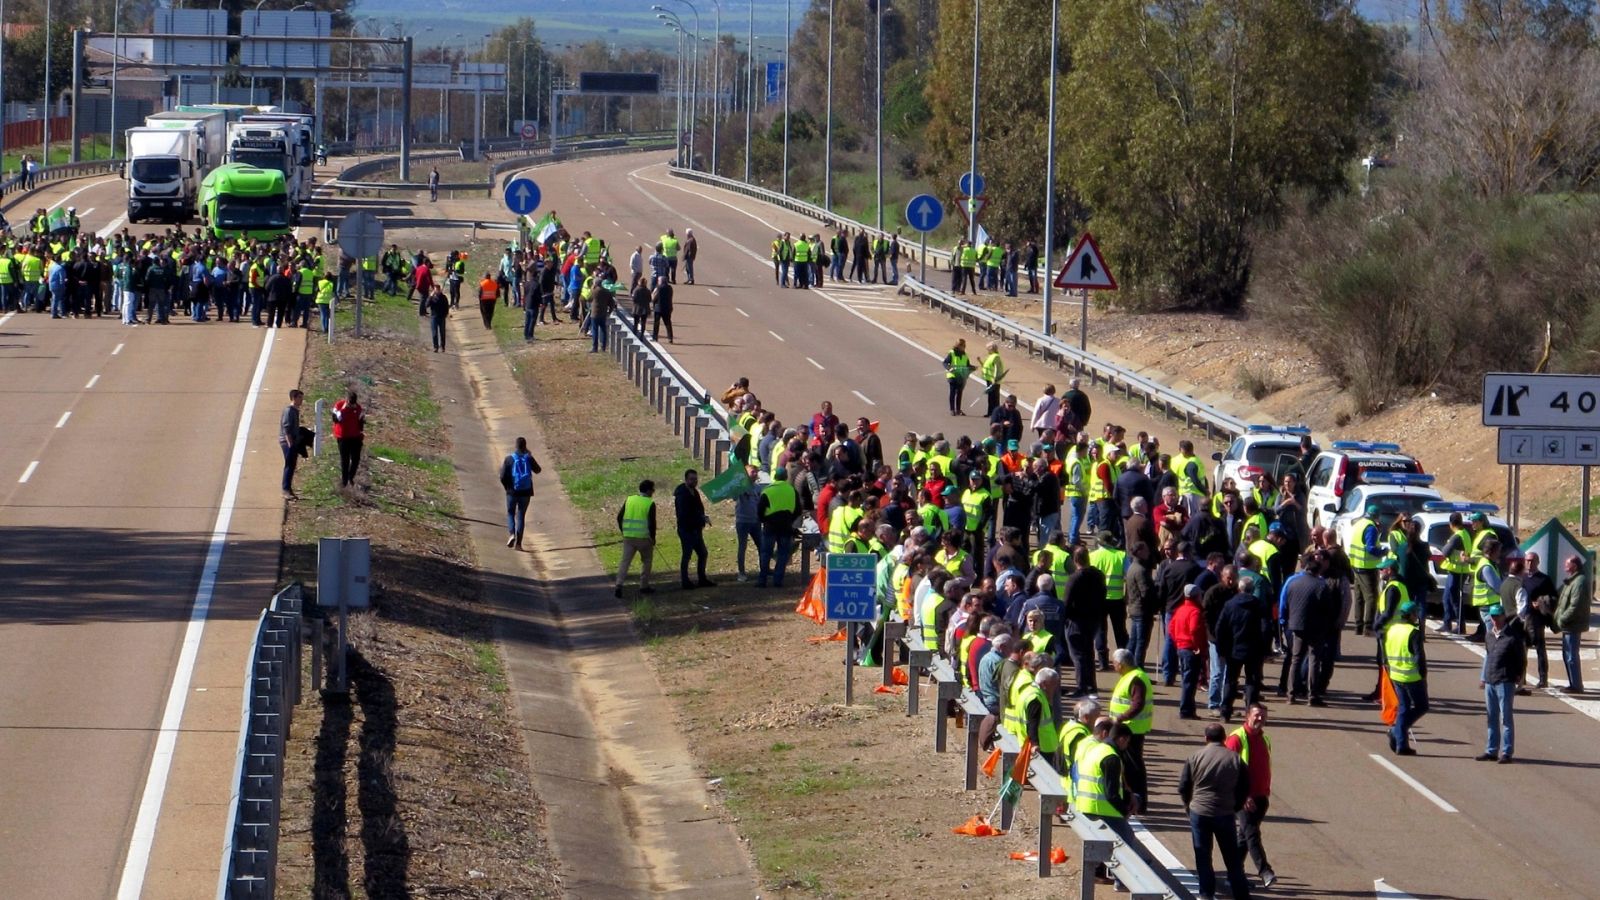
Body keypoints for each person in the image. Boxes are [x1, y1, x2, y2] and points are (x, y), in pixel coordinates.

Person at [1179, 724, 1254, 900]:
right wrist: (1234, 806)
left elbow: (1183, 786)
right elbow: (1245, 787)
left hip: (1200, 811)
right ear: (1224, 737)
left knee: (1203, 855)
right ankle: (1241, 895)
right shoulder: (1235, 759)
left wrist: (1189, 805)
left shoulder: (1195, 757)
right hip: (1225, 813)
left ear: (1206, 738)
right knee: (1232, 858)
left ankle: (1206, 893)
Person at [1224, 703, 1277, 889]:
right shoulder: (1236, 739)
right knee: (1252, 834)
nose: (1260, 719)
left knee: (1244, 839)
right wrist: (1242, 795)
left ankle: (1233, 877)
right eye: (1257, 715)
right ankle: (1265, 871)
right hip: (1243, 799)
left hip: (1261, 797)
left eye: (1263, 716)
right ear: (1247, 716)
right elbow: (1227, 771)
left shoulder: (1265, 739)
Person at [1478, 602, 1526, 763]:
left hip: (1505, 681)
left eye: (1498, 616)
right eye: (1493, 616)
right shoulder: (1489, 635)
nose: (1495, 619)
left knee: (1505, 718)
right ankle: (1491, 750)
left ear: (1504, 616)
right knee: (1491, 717)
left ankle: (1506, 752)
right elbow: (1488, 656)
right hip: (1491, 681)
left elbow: (1521, 659)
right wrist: (1483, 677)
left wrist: (1518, 676)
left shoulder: (1513, 637)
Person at [1384, 601, 1428, 755]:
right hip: (1412, 676)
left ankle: (1401, 744)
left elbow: (1385, 651)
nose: (1417, 617)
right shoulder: (1413, 632)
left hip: (1395, 674)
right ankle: (1397, 732)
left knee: (1404, 707)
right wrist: (1423, 674)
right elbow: (1418, 656)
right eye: (1415, 614)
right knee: (1422, 706)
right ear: (1410, 615)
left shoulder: (1392, 630)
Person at [1520, 551, 1557, 690]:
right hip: (1522, 618)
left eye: (1532, 560)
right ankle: (1521, 677)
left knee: (1540, 649)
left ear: (1538, 562)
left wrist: (1541, 602)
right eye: (1527, 560)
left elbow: (1554, 598)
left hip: (1537, 619)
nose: (1529, 563)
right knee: (1522, 649)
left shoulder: (1544, 579)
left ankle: (1543, 679)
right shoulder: (1521, 578)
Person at [614, 480, 658, 597]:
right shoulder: (649, 503)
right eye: (653, 490)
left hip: (628, 537)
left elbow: (619, 517)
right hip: (644, 538)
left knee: (625, 562)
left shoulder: (629, 499)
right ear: (648, 490)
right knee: (647, 561)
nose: (653, 492)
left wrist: (624, 531)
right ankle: (644, 585)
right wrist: (653, 538)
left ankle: (619, 584)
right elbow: (652, 523)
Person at [498, 437, 544, 549]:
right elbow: (538, 470)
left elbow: (502, 476)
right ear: (525, 446)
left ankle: (512, 534)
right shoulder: (528, 458)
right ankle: (518, 544)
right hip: (526, 492)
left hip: (512, 492)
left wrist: (507, 488)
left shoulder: (509, 459)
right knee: (521, 516)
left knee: (510, 513)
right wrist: (530, 455)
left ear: (515, 446)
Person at [1554, 554, 1590, 694]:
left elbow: (1575, 606)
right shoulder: (1573, 581)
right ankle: (1572, 683)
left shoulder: (1579, 582)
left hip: (1573, 625)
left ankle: (1576, 685)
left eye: (1567, 564)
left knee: (1571, 656)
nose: (1565, 567)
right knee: (1567, 655)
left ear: (1574, 566)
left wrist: (1562, 619)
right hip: (1569, 625)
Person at [758, 469, 800, 588]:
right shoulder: (792, 491)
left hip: (770, 526)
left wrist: (765, 520)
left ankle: (762, 579)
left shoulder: (767, 491)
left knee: (766, 553)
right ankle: (778, 580)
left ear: (775, 477)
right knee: (783, 554)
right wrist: (790, 519)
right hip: (786, 526)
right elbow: (798, 510)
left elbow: (760, 511)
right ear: (786, 477)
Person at [674, 469, 715, 589]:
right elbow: (684, 514)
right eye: (692, 479)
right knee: (687, 555)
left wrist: (703, 517)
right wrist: (699, 519)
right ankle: (685, 581)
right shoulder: (682, 494)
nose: (694, 481)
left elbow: (698, 509)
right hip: (687, 529)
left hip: (696, 529)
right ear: (686, 479)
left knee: (703, 553)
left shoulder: (694, 492)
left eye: (696, 479)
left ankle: (702, 579)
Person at [1172, 584, 1207, 719]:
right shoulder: (1195, 612)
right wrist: (1197, 646)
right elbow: (1194, 630)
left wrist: (1178, 641)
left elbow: (1171, 627)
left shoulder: (1180, 609)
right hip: (1190, 649)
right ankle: (1186, 710)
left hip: (1182, 647)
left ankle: (1189, 709)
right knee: (1189, 682)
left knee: (1188, 680)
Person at [331, 390, 366, 490]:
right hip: (343, 437)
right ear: (347, 400)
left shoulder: (358, 408)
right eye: (350, 403)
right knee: (345, 459)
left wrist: (361, 431)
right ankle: (344, 481)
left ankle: (351, 477)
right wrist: (343, 410)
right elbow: (335, 419)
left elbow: (361, 421)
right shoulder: (339, 406)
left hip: (355, 437)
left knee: (355, 459)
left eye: (353, 404)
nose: (352, 406)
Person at [279, 389, 305, 500]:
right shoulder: (289, 411)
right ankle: (285, 490)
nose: (301, 401)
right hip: (287, 442)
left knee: (292, 465)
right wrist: (290, 443)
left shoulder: (294, 410)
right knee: (289, 465)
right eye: (300, 398)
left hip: (293, 441)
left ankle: (289, 489)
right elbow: (287, 428)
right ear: (294, 398)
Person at [943, 338, 971, 416]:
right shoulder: (952, 353)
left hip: (961, 376)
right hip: (952, 375)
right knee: (953, 392)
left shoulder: (965, 355)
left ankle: (958, 409)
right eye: (963, 345)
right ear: (958, 346)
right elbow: (945, 363)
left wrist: (972, 368)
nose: (964, 347)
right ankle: (952, 409)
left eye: (964, 345)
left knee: (959, 393)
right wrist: (949, 368)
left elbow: (967, 365)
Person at [424, 285, 450, 351]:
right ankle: (435, 347)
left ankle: (442, 346)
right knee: (434, 333)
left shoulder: (443, 297)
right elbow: (426, 305)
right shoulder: (432, 298)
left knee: (442, 333)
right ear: (434, 290)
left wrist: (445, 314)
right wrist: (430, 296)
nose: (437, 291)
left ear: (440, 290)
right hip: (434, 317)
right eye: (435, 290)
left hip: (441, 317)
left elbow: (446, 307)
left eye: (438, 290)